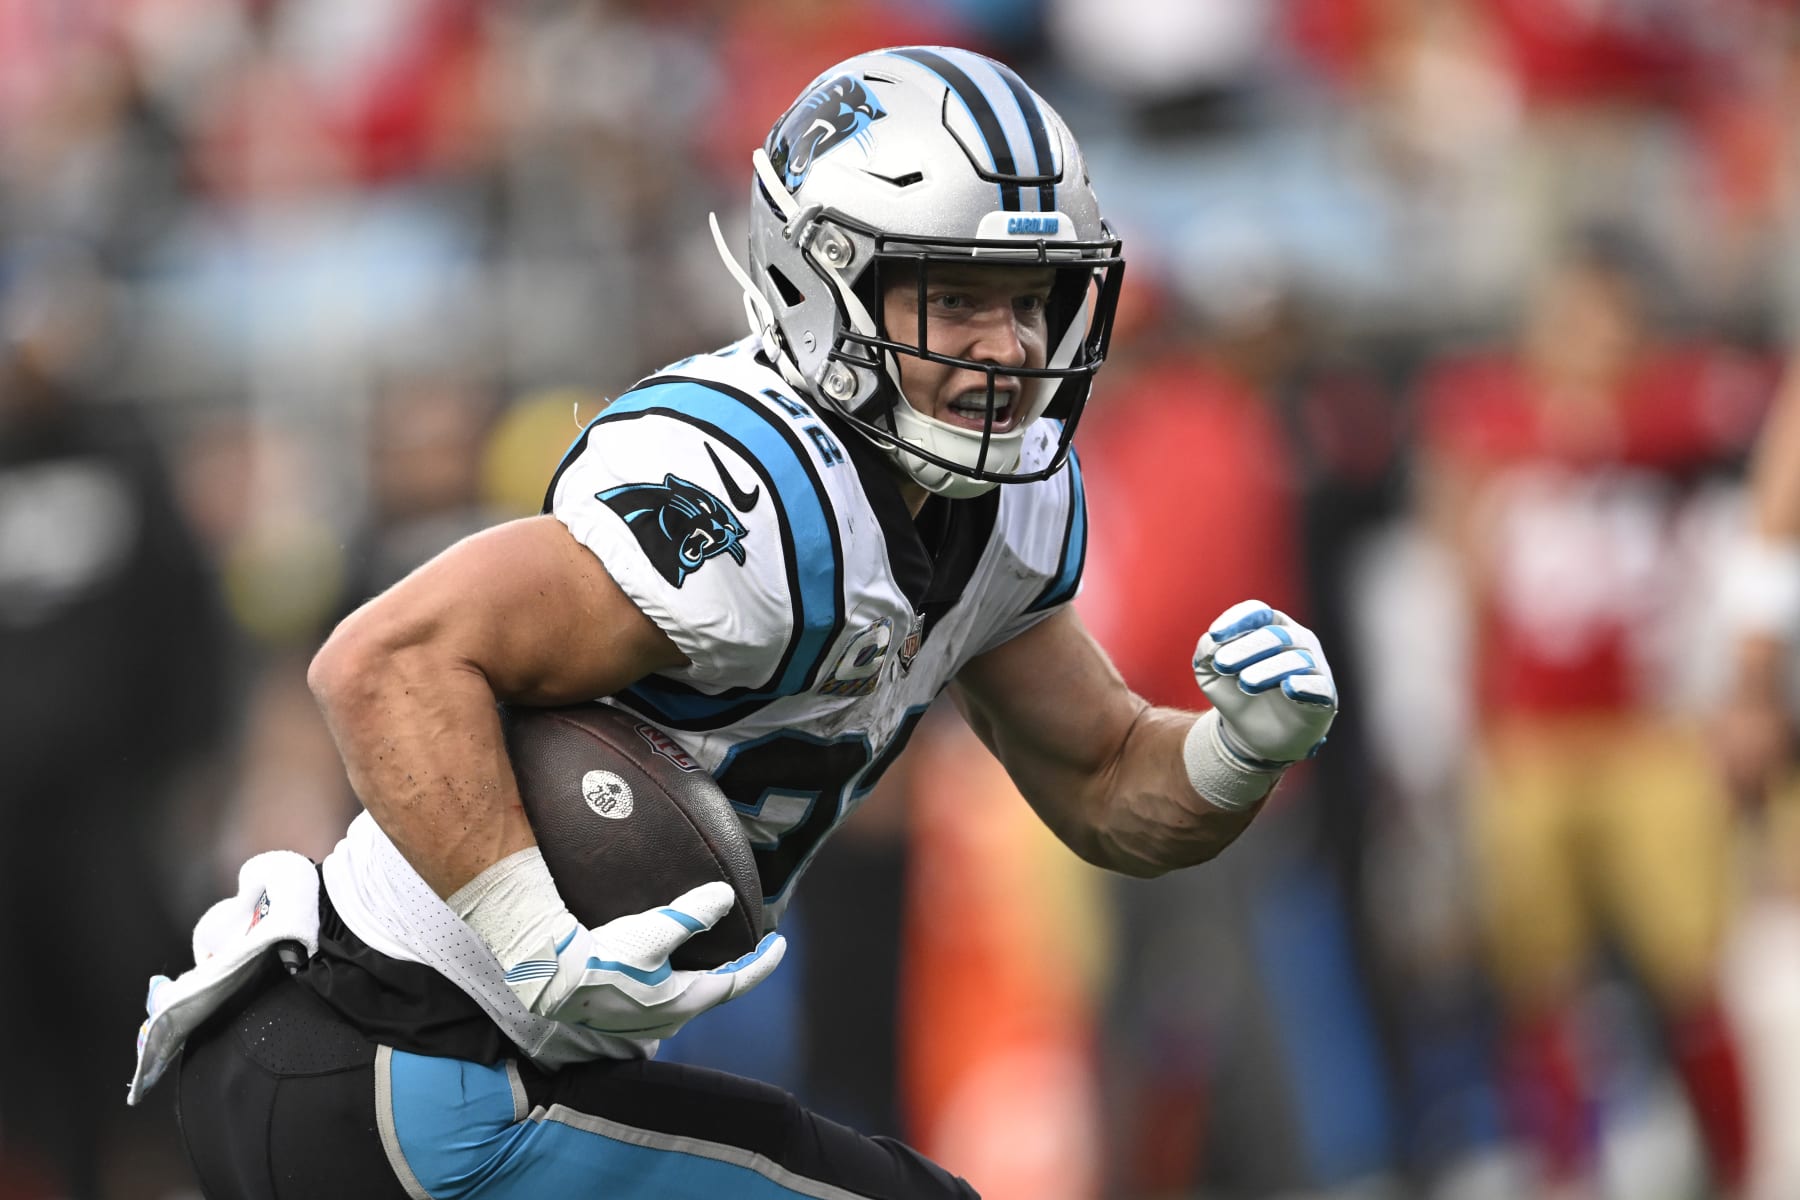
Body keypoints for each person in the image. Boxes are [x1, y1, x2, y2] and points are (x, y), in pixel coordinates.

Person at [137, 46, 1338, 1200]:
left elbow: (1111, 781)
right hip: (397, 1060)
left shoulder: (1002, 507)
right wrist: (535, 939)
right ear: (827, 282)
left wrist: (1240, 748)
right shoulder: (751, 494)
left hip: (455, 1074)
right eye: (957, 297)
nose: (1007, 349)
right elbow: (383, 659)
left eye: (1033, 301)